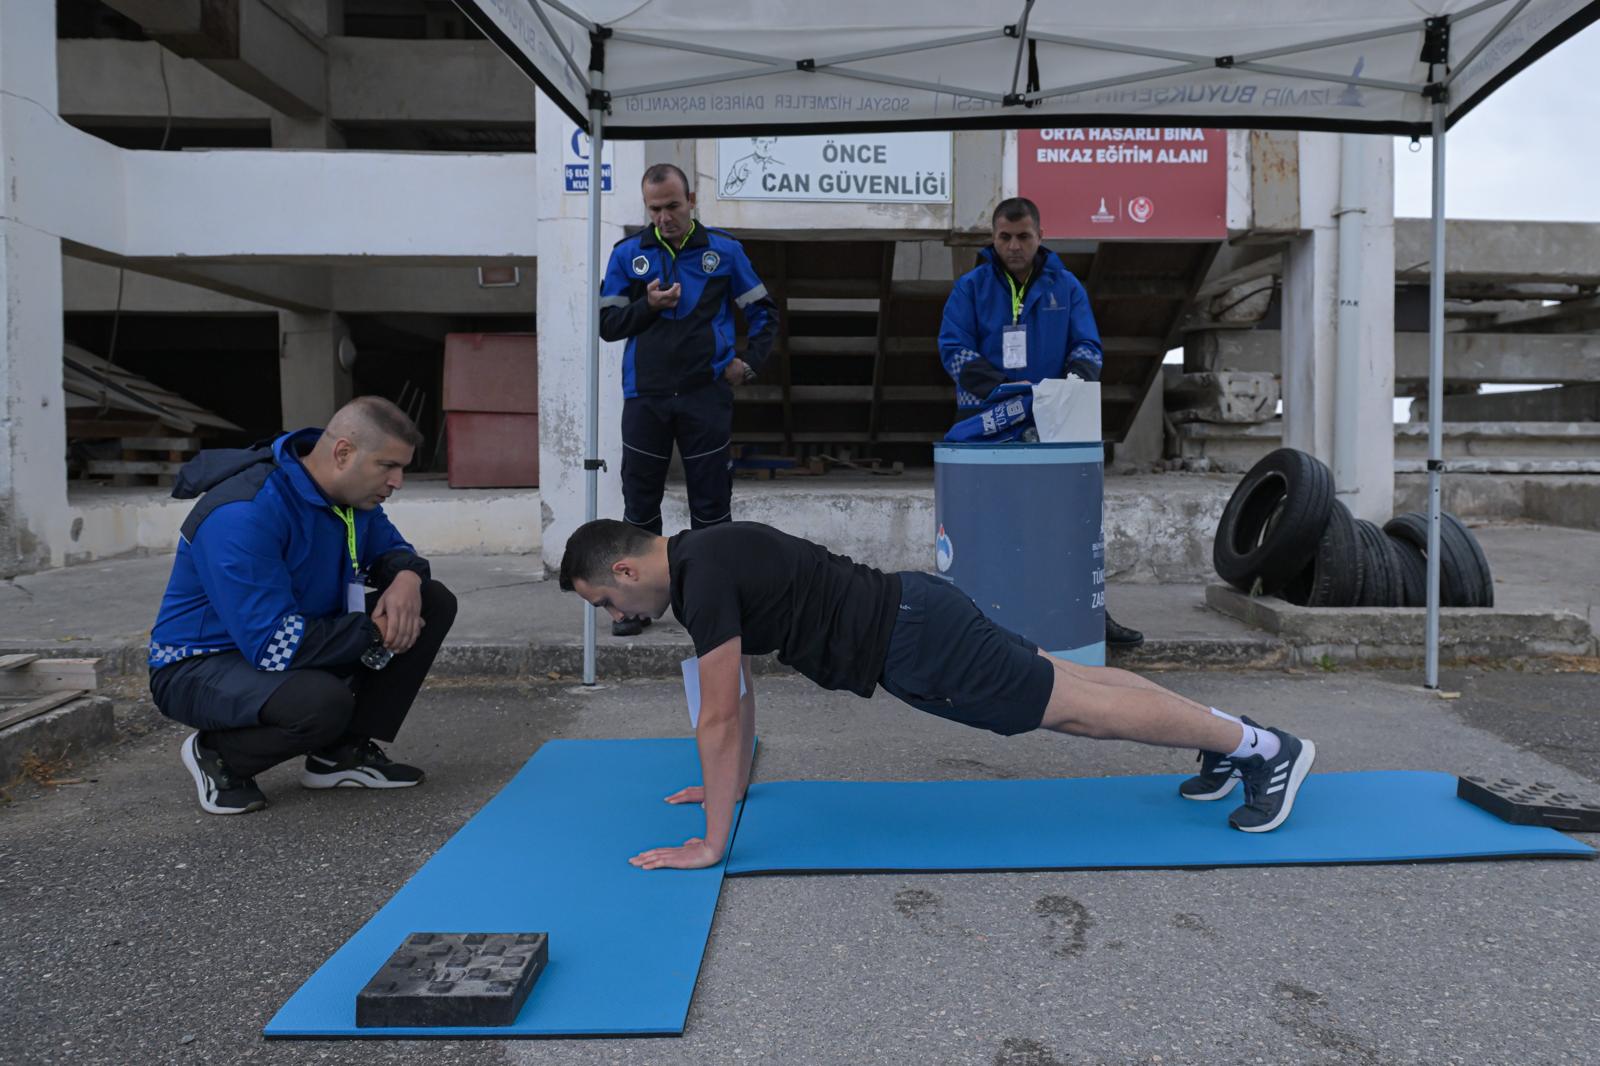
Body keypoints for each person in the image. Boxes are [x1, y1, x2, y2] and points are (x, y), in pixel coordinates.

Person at [559, 519, 1317, 870]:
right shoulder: (703, 555)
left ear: (624, 572)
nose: (612, 618)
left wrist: (712, 841)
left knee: (1080, 709)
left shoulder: (701, 579)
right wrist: (727, 786)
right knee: (1076, 681)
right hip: (919, 613)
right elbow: (737, 700)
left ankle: (1265, 751)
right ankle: (1232, 738)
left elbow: (722, 714)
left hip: (919, 641)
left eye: (602, 603)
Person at [148, 397, 457, 815]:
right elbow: (274, 646)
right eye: (388, 466)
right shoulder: (244, 512)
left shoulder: (351, 498)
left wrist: (407, 579)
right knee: (322, 702)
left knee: (432, 601)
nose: (398, 481)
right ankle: (220, 756)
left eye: (402, 468)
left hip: (291, 638)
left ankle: (339, 755)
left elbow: (393, 550)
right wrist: (376, 632)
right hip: (199, 665)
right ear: (343, 453)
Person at [938, 195, 1144, 651]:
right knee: (989, 525)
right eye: (1005, 237)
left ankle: (1086, 615)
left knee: (1066, 524)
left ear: (1040, 236)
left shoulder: (1066, 287)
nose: (1014, 246)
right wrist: (1012, 394)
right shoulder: (969, 289)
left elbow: (1088, 348)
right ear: (993, 238)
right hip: (985, 423)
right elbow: (954, 351)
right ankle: (977, 626)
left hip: (1055, 427)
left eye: (1024, 236)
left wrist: (1066, 387)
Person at [599, 162, 779, 637]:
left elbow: (764, 313)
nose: (664, 217)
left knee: (713, 508)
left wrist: (749, 362)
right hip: (646, 398)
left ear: (692, 200)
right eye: (655, 209)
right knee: (639, 507)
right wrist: (648, 306)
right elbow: (609, 326)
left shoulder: (725, 251)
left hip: (705, 397)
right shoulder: (627, 254)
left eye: (673, 206)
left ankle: (714, 605)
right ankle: (636, 605)